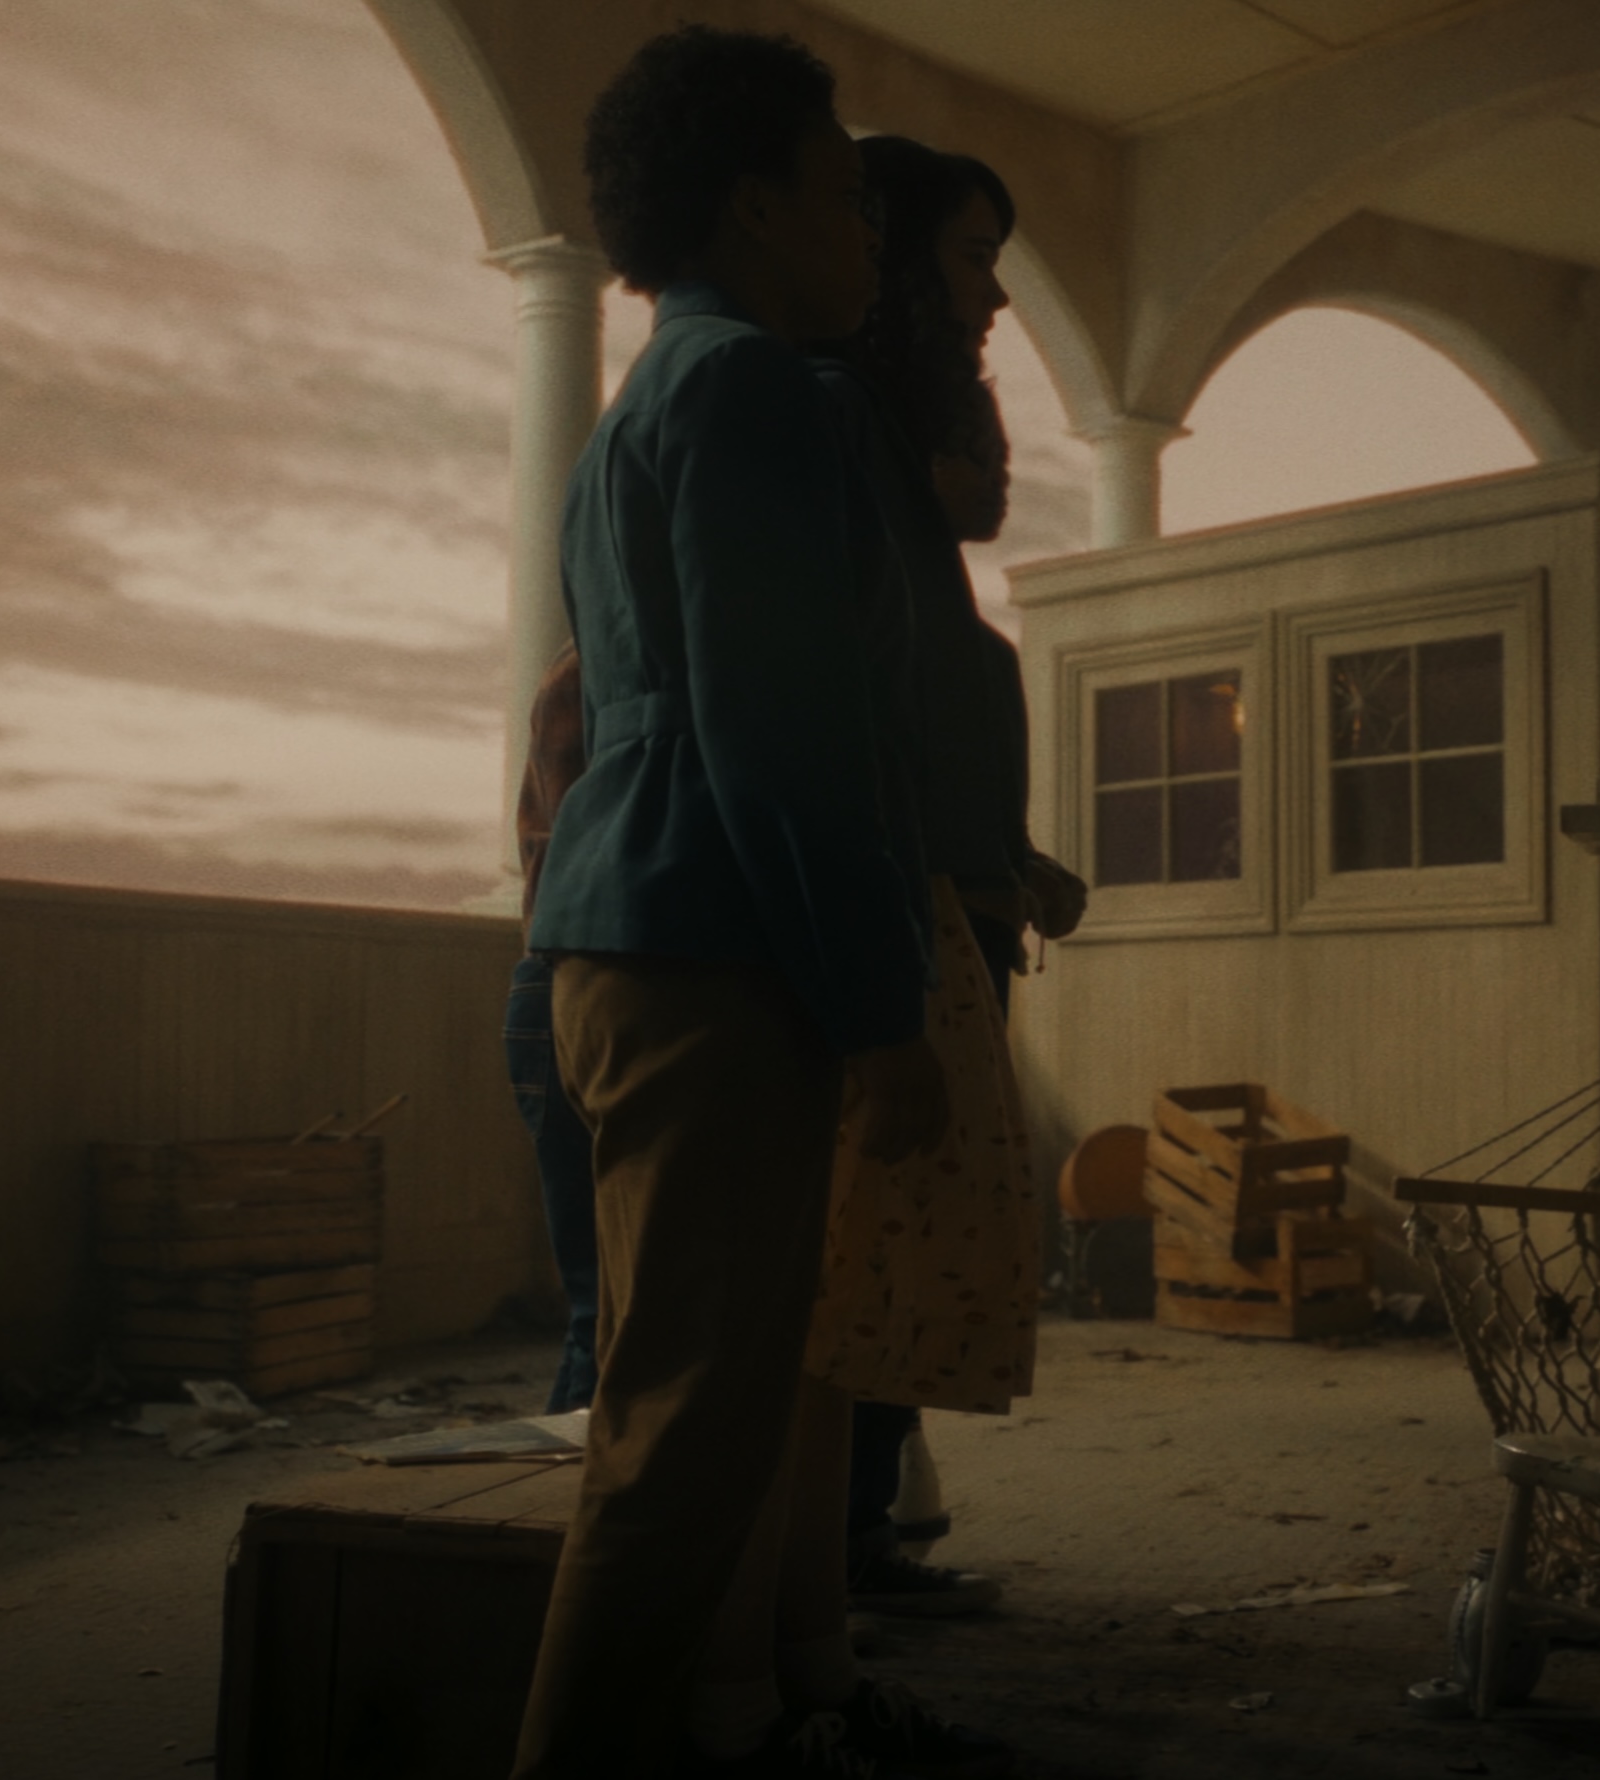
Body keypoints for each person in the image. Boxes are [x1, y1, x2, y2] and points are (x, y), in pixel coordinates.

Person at [512, 27, 972, 1779]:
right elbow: (785, 739)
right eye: (844, 191)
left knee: (679, 1420)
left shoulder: (641, 406)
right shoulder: (762, 394)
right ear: (755, 204)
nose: (867, 230)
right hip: (712, 953)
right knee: (682, 1446)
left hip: (628, 935)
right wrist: (880, 1013)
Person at [819, 136, 1090, 1628]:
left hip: (957, 908)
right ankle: (833, 1552)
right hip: (898, 913)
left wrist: (1015, 864)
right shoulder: (831, 431)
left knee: (914, 1242)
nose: (995, 298)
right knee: (873, 1242)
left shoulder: (945, 599)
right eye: (974, 258)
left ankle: (860, 1532)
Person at [507, 650, 598, 1417]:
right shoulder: (600, 674)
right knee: (611, 1307)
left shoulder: (579, 673)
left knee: (601, 1307)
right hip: (587, 979)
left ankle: (576, 1476)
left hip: (557, 975)